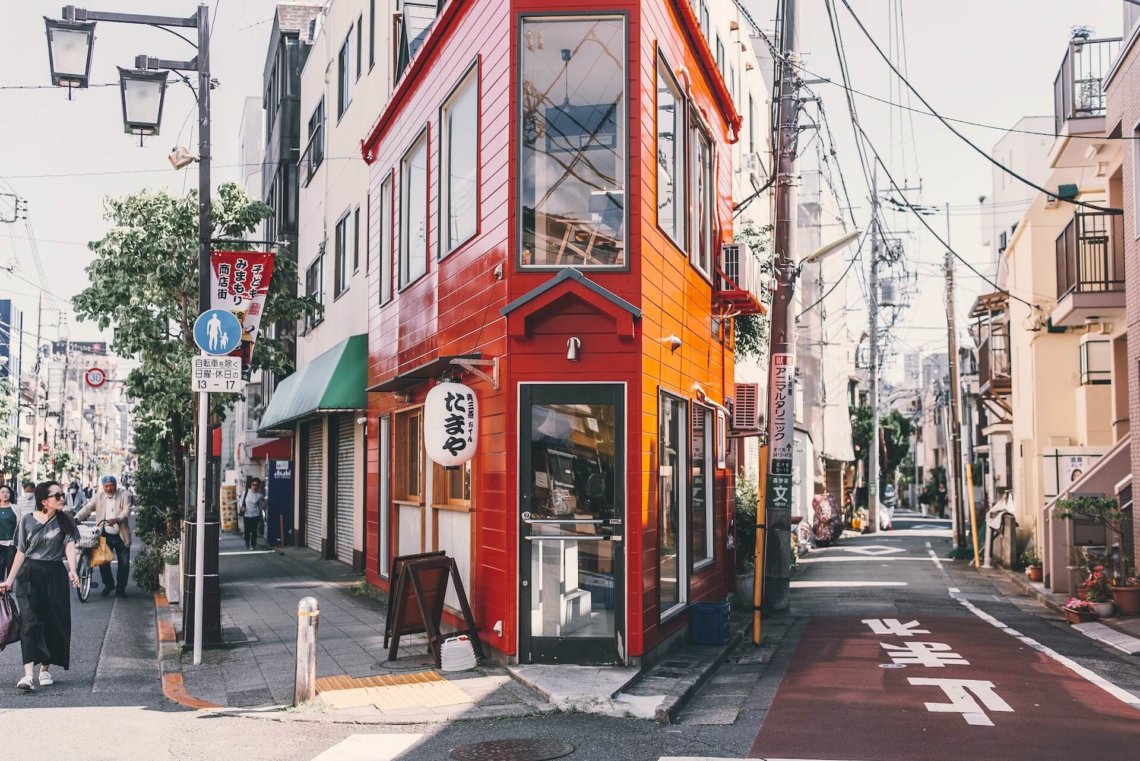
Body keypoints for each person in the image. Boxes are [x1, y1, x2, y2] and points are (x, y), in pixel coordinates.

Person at [0, 481, 81, 691]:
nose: (62, 498)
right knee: (29, 622)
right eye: (57, 496)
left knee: (52, 620)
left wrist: (73, 569)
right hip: (29, 574)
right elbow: (21, 551)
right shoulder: (27, 520)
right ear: (44, 501)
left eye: (62, 495)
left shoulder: (66, 520)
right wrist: (9, 580)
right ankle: (28, 675)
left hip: (55, 574)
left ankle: (44, 669)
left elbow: (70, 545)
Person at [75, 475, 133, 598]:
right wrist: (76, 518)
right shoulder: (98, 497)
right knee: (102, 562)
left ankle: (120, 588)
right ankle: (109, 584)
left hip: (121, 534)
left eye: (111, 485)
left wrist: (117, 519)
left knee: (124, 564)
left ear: (116, 486)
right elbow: (88, 508)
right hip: (104, 534)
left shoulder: (124, 495)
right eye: (106, 486)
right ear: (103, 487)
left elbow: (126, 511)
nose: (109, 488)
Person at [241, 478, 266, 550]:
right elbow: (241, 501)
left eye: (256, 485)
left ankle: (253, 545)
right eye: (253, 484)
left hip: (255, 514)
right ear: (251, 485)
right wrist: (242, 507)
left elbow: (264, 503)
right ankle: (247, 542)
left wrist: (264, 503)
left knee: (254, 531)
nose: (255, 486)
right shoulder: (245, 492)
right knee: (247, 530)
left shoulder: (259, 495)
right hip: (247, 514)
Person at [0, 486, 17, 582]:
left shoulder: (15, 508)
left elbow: (20, 525)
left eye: (7, 492)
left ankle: (9, 584)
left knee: (11, 564)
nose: (5, 494)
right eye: (2, 492)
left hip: (11, 542)